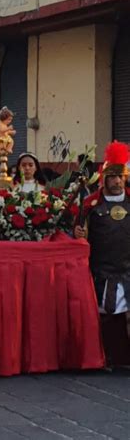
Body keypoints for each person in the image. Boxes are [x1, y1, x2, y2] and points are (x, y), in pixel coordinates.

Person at [74, 141, 130, 367]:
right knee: (107, 316)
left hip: (128, 270)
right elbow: (78, 233)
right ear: (104, 178)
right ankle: (111, 358)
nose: (117, 181)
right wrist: (76, 231)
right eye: (112, 177)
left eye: (120, 177)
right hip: (102, 273)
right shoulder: (91, 205)